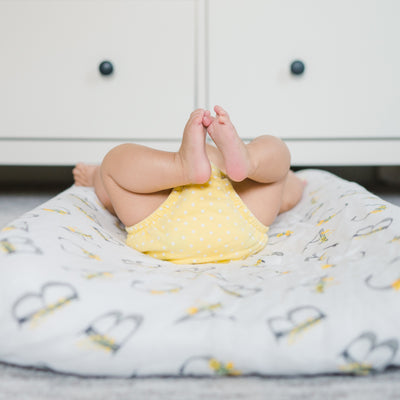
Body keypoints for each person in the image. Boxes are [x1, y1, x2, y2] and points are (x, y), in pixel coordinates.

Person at [73, 106, 304, 264]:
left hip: (163, 227)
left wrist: (97, 176)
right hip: (239, 223)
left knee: (114, 163)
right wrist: (289, 179)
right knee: (276, 151)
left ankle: (180, 166)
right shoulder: (249, 187)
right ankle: (249, 161)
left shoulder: (160, 181)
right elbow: (287, 195)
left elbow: (108, 197)